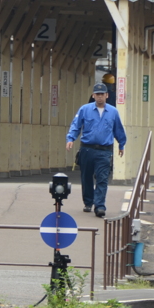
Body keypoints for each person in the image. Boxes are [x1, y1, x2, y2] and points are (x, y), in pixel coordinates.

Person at [65, 82, 126, 218]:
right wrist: (70, 139)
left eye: (102, 94)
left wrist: (121, 144)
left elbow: (118, 129)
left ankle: (100, 206)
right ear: (93, 95)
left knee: (102, 178)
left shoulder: (113, 112)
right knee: (86, 177)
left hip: (104, 151)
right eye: (97, 94)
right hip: (87, 149)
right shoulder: (84, 110)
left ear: (107, 95)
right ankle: (88, 202)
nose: (100, 97)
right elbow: (76, 125)